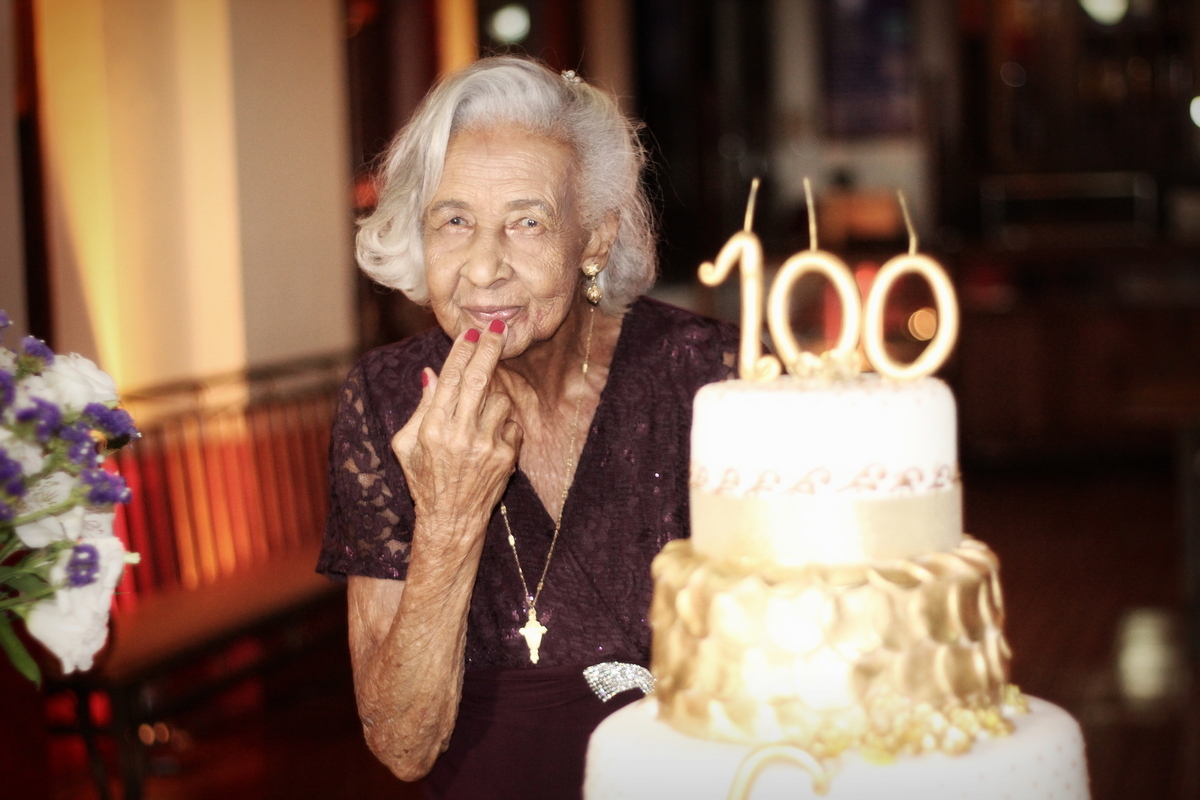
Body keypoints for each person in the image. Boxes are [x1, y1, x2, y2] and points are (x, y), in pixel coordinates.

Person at [317, 56, 738, 800]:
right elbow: (401, 745)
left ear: (595, 241)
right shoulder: (384, 403)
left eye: (527, 222)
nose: (483, 268)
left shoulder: (703, 375)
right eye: (454, 222)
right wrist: (448, 521)